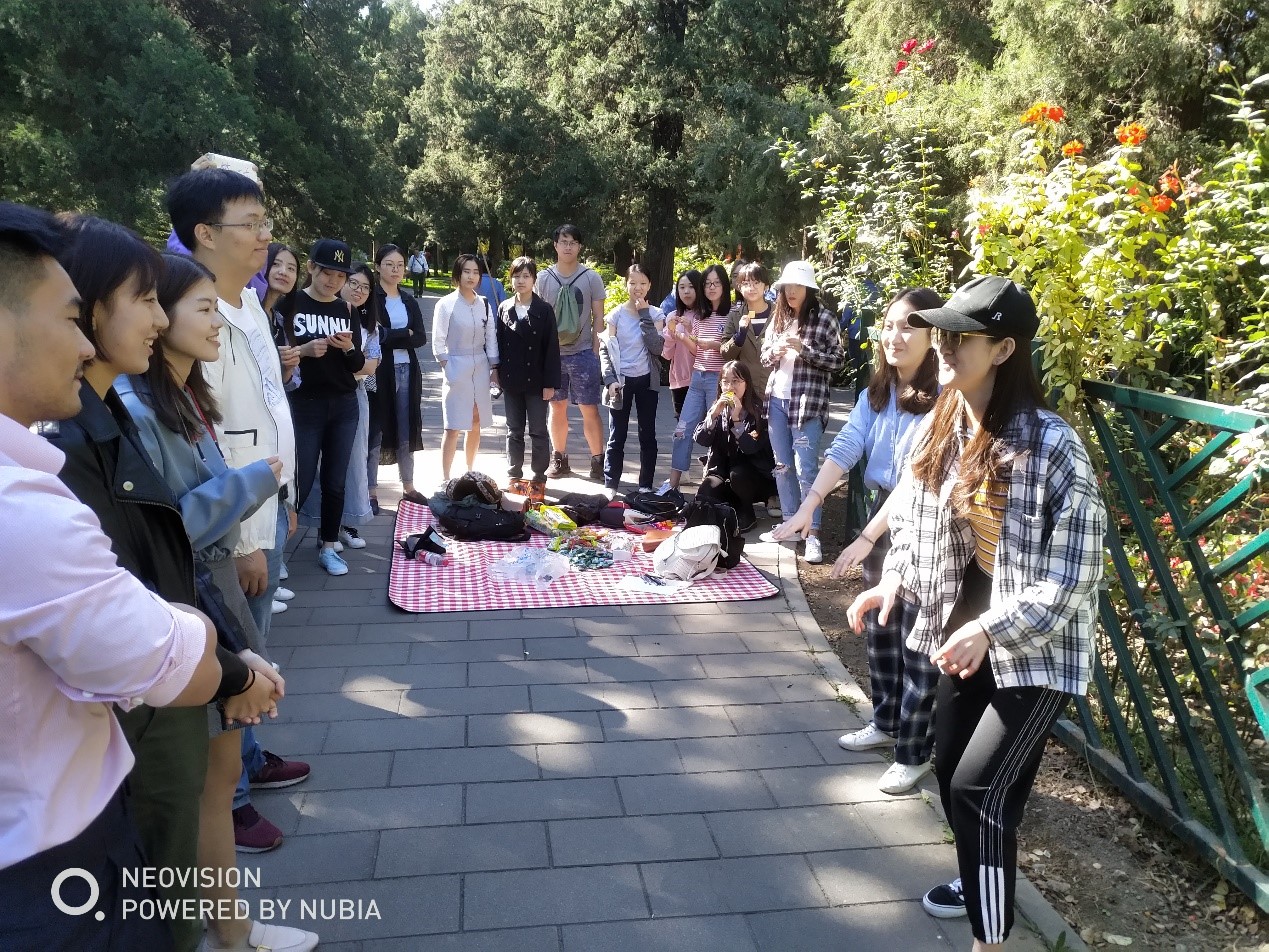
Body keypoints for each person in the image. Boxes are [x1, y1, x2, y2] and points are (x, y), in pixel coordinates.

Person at [847, 277, 1106, 948]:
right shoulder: (945, 420)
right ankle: (979, 877)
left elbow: (1073, 578)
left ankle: (988, 939)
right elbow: (916, 521)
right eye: (943, 332)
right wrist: (891, 580)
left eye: (962, 336)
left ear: (1003, 350)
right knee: (953, 770)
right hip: (962, 625)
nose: (944, 345)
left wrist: (990, 628)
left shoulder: (1052, 446)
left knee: (978, 789)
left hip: (1038, 646)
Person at [46, 215, 282, 952]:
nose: (155, 319)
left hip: (177, 657)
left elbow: (158, 554)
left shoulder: (111, 415)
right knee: (163, 852)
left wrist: (232, 659)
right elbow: (140, 573)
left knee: (180, 828)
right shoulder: (65, 442)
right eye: (147, 300)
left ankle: (227, 930)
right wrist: (229, 667)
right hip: (148, 684)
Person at [0, 201, 224, 952]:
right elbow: (166, 660)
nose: (81, 343)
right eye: (70, 320)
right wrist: (199, 633)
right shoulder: (23, 507)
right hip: (49, 869)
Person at [115, 253, 317, 952]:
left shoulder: (182, 395)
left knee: (220, 769)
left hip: (213, 598)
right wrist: (251, 484)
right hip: (189, 609)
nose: (216, 325)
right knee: (196, 783)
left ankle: (229, 928)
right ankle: (218, 931)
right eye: (201, 310)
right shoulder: (137, 410)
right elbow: (166, 528)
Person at [167, 167, 311, 858]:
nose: (264, 238)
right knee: (237, 651)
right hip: (236, 523)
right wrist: (247, 537)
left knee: (257, 643)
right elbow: (215, 439)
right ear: (204, 233)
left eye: (264, 223)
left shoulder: (249, 303)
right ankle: (231, 798)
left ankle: (248, 759)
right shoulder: (198, 314)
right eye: (249, 225)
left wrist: (284, 501)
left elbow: (268, 406)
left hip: (266, 500)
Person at [775, 288, 942, 794]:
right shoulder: (880, 390)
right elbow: (848, 444)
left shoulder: (945, 398)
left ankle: (915, 752)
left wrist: (867, 536)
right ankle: (885, 722)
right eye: (889, 325)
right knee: (880, 630)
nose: (895, 335)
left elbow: (917, 478)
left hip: (925, 521)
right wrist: (808, 506)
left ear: (934, 336)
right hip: (884, 510)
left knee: (916, 639)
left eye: (909, 326)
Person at [757, 260, 845, 564]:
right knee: (782, 466)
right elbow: (764, 356)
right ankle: (790, 524)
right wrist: (775, 351)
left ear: (808, 289)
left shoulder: (825, 319)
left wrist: (803, 349)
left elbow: (838, 361)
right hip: (777, 401)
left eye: (797, 286)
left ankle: (813, 533)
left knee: (807, 469)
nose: (791, 291)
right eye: (787, 287)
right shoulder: (779, 318)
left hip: (808, 404)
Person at [287, 238, 366, 576]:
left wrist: (347, 348)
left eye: (340, 275)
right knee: (300, 479)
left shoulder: (346, 309)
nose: (333, 281)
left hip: (344, 405)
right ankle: (276, 551)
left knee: (335, 480)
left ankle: (329, 545)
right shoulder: (291, 303)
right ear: (311, 268)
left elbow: (357, 364)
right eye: (327, 273)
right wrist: (304, 351)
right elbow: (276, 352)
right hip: (304, 405)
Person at [297, 260, 382, 547]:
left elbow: (369, 366)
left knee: (348, 468)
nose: (358, 290)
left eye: (365, 287)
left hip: (352, 398)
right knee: (307, 471)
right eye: (353, 283)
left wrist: (348, 355)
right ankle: (308, 528)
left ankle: (341, 528)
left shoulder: (366, 324)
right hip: (310, 401)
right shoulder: (304, 308)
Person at [536, 224, 607, 480]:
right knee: (557, 407)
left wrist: (597, 350)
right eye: (563, 242)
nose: (568, 247)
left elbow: (598, 317)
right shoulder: (543, 278)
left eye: (573, 242)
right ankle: (559, 458)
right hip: (553, 355)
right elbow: (537, 318)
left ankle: (598, 460)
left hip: (583, 352)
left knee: (589, 407)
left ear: (579, 246)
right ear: (555, 245)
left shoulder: (591, 277)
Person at [495, 256, 560, 498]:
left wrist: (550, 383)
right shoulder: (504, 308)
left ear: (534, 280)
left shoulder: (544, 309)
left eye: (526, 276)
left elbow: (552, 348)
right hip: (511, 379)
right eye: (516, 276)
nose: (521, 280)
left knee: (538, 430)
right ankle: (514, 475)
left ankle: (539, 476)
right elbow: (498, 344)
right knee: (514, 430)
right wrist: (495, 373)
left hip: (537, 380)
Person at [599, 264, 666, 493]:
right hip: (621, 382)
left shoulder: (656, 314)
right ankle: (611, 484)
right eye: (633, 282)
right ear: (626, 284)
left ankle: (646, 485)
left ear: (649, 286)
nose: (638, 287)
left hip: (647, 380)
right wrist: (610, 380)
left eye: (643, 283)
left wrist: (644, 314)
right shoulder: (615, 315)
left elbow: (656, 347)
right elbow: (606, 350)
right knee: (617, 435)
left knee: (648, 435)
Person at [666, 263, 733, 490]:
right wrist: (682, 336)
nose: (711, 288)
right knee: (682, 430)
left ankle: (715, 486)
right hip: (697, 379)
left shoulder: (732, 314)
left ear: (724, 286)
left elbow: (733, 349)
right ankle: (672, 486)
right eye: (707, 284)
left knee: (718, 431)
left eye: (716, 283)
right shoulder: (699, 316)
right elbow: (696, 350)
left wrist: (712, 344)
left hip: (718, 380)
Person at [433, 254, 499, 480]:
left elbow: (491, 337)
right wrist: (446, 365)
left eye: (476, 272)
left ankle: (470, 472)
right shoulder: (445, 304)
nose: (471, 276)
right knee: (452, 425)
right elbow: (438, 341)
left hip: (480, 366)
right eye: (466, 272)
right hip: (456, 366)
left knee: (476, 421)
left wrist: (494, 367)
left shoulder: (484, 304)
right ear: (458, 274)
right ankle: (445, 478)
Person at [372, 243, 427, 507]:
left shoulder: (408, 300)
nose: (395, 270)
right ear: (377, 267)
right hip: (379, 371)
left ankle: (409, 486)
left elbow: (421, 338)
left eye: (400, 265)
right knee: (376, 429)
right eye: (389, 265)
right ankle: (370, 491)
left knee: (406, 427)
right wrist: (404, 334)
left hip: (407, 370)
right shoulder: (371, 299)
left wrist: (393, 336)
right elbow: (375, 335)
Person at [694, 360, 776, 531]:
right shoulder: (717, 407)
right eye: (725, 381)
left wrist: (737, 420)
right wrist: (713, 415)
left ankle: (746, 511)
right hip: (721, 470)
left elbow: (751, 448)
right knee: (705, 493)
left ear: (746, 383)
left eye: (736, 381)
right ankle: (730, 507)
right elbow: (701, 440)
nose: (730, 387)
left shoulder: (758, 410)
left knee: (737, 475)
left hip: (752, 474)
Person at [720, 261, 773, 398]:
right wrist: (740, 335)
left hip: (774, 390)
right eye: (746, 283)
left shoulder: (778, 314)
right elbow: (725, 354)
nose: (751, 287)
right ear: (739, 287)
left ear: (766, 286)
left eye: (756, 282)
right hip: (745, 392)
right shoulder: (735, 316)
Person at [660, 269, 703, 418]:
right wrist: (670, 333)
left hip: (702, 379)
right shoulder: (672, 316)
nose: (686, 291)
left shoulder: (705, 316)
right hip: (679, 380)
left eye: (691, 287)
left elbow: (703, 351)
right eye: (682, 287)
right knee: (682, 426)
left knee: (703, 426)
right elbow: (667, 354)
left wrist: (690, 329)